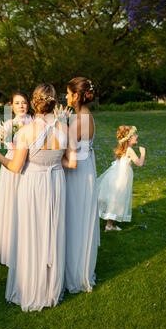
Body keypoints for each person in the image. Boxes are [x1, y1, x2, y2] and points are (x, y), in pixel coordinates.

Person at [0, 83, 77, 311]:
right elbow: (73, 163)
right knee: (52, 232)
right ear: (54, 103)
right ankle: (50, 289)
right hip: (56, 182)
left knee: (31, 233)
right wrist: (54, 162)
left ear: (34, 103)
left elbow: (16, 167)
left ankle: (30, 287)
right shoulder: (65, 129)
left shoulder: (25, 132)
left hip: (33, 184)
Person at [0, 91, 33, 266]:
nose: (21, 106)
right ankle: (7, 247)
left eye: (24, 102)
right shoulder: (7, 125)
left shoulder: (35, 124)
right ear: (12, 106)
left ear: (29, 104)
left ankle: (25, 245)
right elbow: (3, 145)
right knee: (10, 204)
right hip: (10, 166)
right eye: (17, 103)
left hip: (29, 166)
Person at [62, 77, 100, 294]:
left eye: (68, 93)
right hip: (86, 169)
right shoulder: (85, 116)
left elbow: (64, 148)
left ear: (76, 96)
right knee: (80, 218)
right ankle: (80, 268)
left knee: (75, 219)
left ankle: (74, 274)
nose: (66, 97)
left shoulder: (78, 121)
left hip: (77, 173)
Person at [97, 125, 146, 231]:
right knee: (116, 200)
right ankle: (108, 226)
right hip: (120, 179)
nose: (136, 136)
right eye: (134, 135)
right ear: (129, 138)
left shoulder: (123, 149)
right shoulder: (129, 150)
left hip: (113, 176)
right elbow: (139, 163)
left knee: (106, 197)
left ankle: (98, 219)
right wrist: (143, 153)